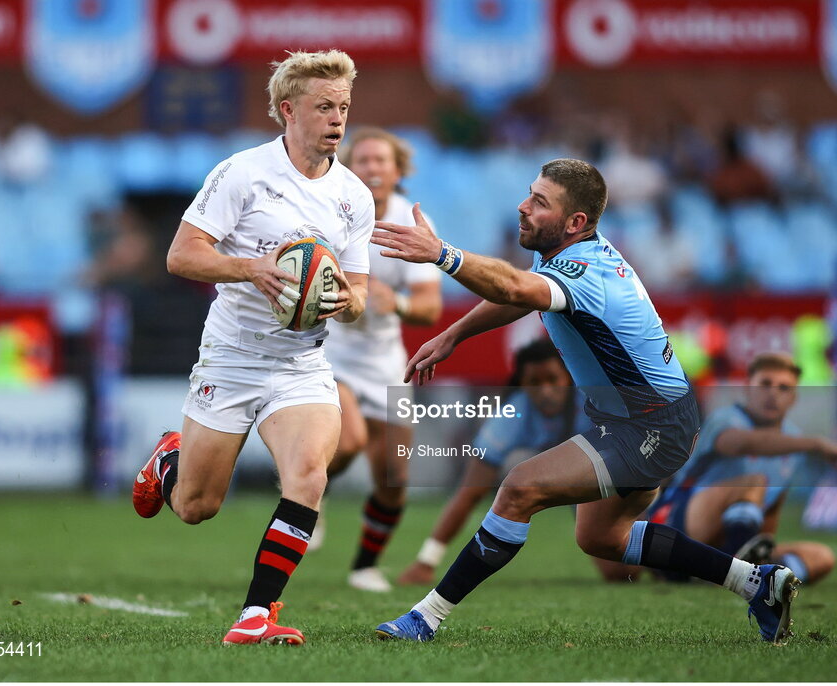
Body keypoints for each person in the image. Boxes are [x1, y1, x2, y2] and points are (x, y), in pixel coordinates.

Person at [371, 158, 801, 645]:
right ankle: (756, 583)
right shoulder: (563, 253)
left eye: (539, 202)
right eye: (528, 193)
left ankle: (426, 617)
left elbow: (515, 285)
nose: (523, 206)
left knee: (518, 489)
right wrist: (455, 334)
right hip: (646, 416)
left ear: (576, 222)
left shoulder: (585, 272)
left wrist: (442, 254)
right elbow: (524, 293)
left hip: (649, 425)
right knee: (600, 539)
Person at [130, 50, 372, 646]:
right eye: (324, 107)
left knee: (309, 477)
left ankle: (255, 615)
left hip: (301, 364)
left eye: (343, 107)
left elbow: (362, 293)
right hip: (233, 357)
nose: (337, 118)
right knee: (195, 506)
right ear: (289, 111)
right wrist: (250, 270)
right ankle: (171, 460)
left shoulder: (354, 196)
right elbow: (180, 256)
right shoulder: (242, 173)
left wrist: (345, 300)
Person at [320, 127, 443, 592]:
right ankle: (311, 495)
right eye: (364, 159)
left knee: (394, 477)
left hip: (385, 360)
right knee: (346, 441)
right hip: (331, 352)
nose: (373, 167)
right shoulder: (331, 210)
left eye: (381, 160)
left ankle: (364, 566)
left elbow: (429, 306)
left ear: (398, 169)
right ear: (351, 165)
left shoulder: (412, 222)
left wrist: (402, 305)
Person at [637, 352, 837, 585]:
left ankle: (751, 574)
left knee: (821, 557)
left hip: (729, 540)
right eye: (765, 384)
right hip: (676, 525)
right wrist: (816, 444)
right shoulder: (725, 419)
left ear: (793, 398)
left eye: (783, 388)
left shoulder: (792, 441)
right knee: (753, 483)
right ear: (747, 388)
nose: (773, 394)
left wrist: (764, 547)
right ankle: (733, 571)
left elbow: (771, 509)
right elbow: (742, 443)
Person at [397, 338, 591, 587]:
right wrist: (427, 561)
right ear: (521, 384)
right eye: (534, 382)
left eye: (552, 379)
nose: (545, 390)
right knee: (613, 566)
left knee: (616, 559)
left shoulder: (593, 402)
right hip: (580, 486)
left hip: (607, 475)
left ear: (569, 377)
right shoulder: (512, 416)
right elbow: (469, 492)